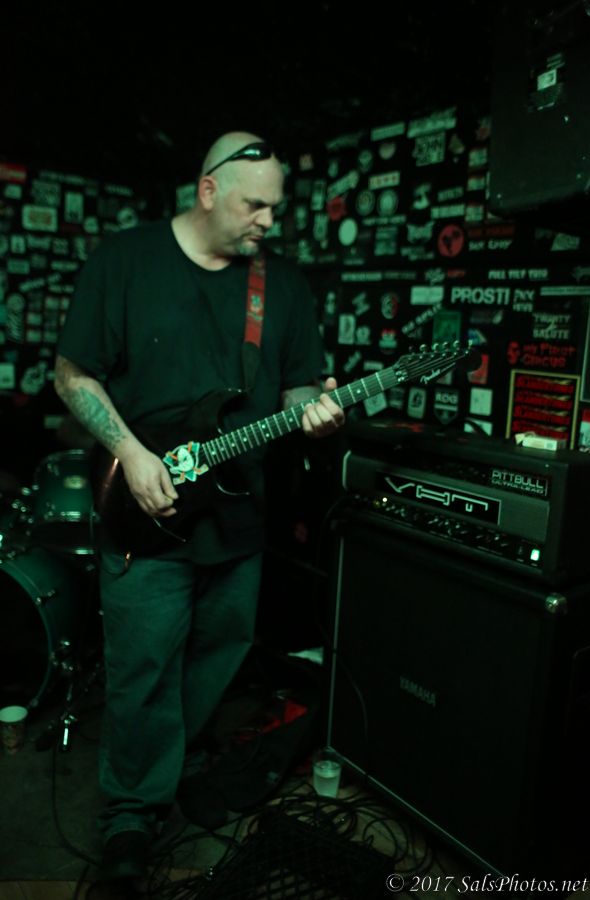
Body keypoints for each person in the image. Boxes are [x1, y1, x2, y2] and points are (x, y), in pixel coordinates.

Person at [53, 131, 345, 884]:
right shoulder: (125, 261)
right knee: (143, 665)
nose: (269, 222)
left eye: (277, 208)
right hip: (143, 508)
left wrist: (315, 411)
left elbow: (299, 385)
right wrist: (130, 452)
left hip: (240, 516)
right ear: (208, 190)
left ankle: (171, 762)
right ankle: (131, 814)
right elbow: (72, 375)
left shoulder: (282, 286)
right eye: (256, 206)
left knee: (220, 650)